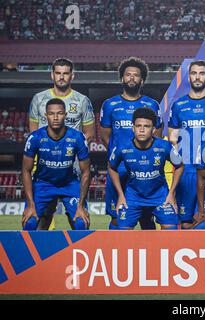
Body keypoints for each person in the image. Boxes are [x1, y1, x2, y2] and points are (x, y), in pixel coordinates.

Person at [28, 58, 95, 230]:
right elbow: (33, 132)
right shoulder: (39, 99)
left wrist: (71, 149)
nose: (62, 77)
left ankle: (79, 251)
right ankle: (41, 250)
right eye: (58, 73)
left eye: (65, 73)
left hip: (72, 166)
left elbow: (89, 133)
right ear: (52, 75)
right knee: (44, 214)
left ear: (72, 76)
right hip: (45, 166)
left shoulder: (82, 100)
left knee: (79, 219)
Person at [100, 57, 163, 230]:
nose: (132, 78)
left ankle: (150, 255)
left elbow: (157, 136)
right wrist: (121, 156)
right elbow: (106, 136)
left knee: (147, 217)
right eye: (128, 75)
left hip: (146, 170)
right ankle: (116, 254)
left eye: (136, 75)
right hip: (119, 169)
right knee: (116, 217)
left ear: (142, 80)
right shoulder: (110, 105)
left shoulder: (151, 104)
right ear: (122, 78)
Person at [168, 60, 205, 229]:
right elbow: (173, 138)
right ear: (189, 77)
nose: (197, 77)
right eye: (194, 73)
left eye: (202, 73)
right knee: (186, 220)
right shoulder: (178, 105)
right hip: (187, 170)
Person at [108, 108, 183, 230]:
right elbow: (111, 167)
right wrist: (120, 195)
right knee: (121, 232)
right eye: (138, 126)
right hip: (133, 197)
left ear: (153, 130)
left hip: (160, 196)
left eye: (146, 126)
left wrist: (171, 193)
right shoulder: (122, 147)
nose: (142, 130)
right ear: (133, 128)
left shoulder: (165, 146)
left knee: (171, 231)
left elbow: (180, 166)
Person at [21, 98, 91, 230]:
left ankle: (76, 250)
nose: (55, 117)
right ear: (45, 115)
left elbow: (86, 171)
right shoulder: (35, 138)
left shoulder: (77, 137)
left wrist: (80, 206)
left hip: (69, 183)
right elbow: (26, 170)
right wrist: (30, 204)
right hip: (43, 183)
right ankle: (37, 250)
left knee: (82, 223)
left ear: (65, 115)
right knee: (29, 222)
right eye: (51, 113)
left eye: (59, 113)